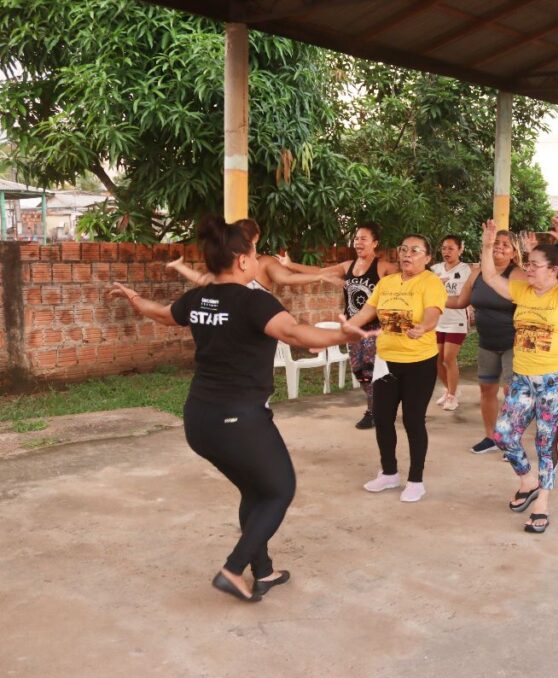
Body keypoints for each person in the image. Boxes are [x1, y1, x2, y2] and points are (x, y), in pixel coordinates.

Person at [111, 216, 372, 602]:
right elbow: (295, 333)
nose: (256, 258)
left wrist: (134, 299)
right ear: (242, 260)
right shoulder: (253, 301)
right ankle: (234, 569)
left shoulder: (197, 299)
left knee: (255, 489)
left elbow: (164, 314)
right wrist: (345, 333)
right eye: (252, 252)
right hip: (238, 418)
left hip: (199, 419)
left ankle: (263, 571)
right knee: (279, 490)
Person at [481, 217, 558, 533]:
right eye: (527, 264)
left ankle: (543, 500)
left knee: (546, 440)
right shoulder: (522, 291)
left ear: (554, 270)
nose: (527, 269)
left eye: (534, 265)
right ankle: (528, 481)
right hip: (522, 378)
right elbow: (489, 276)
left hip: (554, 381)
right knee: (503, 434)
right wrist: (488, 244)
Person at [343, 234, 447, 503]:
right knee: (382, 417)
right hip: (386, 361)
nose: (407, 254)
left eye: (414, 250)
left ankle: (416, 479)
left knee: (413, 420)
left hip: (419, 362)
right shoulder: (387, 282)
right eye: (403, 249)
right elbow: (368, 311)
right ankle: (389, 473)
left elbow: (433, 313)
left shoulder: (431, 282)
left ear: (427, 257)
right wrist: (347, 327)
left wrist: (424, 326)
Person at [444, 229, 527, 454]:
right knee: (487, 390)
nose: (499, 247)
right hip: (486, 342)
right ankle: (491, 437)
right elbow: (461, 300)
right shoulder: (476, 272)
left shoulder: (518, 274)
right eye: (496, 242)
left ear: (513, 252)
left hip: (513, 342)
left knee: (512, 393)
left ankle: (511, 440)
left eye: (505, 244)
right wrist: (430, 297)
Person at [336, 223, 398, 429]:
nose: (358, 242)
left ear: (375, 243)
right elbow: (317, 271)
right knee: (358, 371)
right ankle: (381, 405)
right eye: (356, 238)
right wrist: (289, 264)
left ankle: (374, 411)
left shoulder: (383, 267)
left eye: (363, 238)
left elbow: (408, 276)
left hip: (375, 328)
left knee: (372, 370)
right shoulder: (348, 266)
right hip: (354, 328)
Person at [166, 222, 342, 292]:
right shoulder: (229, 261)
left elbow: (287, 278)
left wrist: (319, 275)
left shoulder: (265, 262)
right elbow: (204, 279)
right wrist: (180, 266)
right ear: (257, 236)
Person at [431, 235, 473, 411]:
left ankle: (453, 396)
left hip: (457, 321)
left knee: (448, 358)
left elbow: (471, 292)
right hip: (437, 320)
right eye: (444, 248)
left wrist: (471, 308)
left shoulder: (467, 270)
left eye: (451, 248)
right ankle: (449, 390)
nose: (446, 252)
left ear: (460, 250)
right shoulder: (434, 269)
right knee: (437, 359)